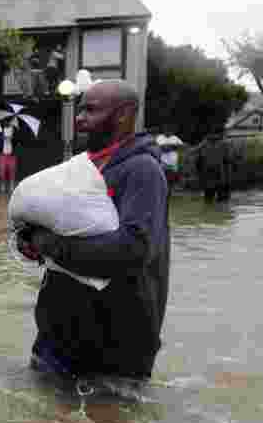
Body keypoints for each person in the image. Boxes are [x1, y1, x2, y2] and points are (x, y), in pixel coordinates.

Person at [17, 80, 170, 380]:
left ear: (124, 115)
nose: (79, 118)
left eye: (90, 110)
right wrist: (30, 241)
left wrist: (48, 243)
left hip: (113, 345)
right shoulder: (81, 167)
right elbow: (61, 229)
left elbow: (133, 249)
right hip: (57, 337)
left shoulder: (142, 171)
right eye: (79, 109)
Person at [194, 131, 232, 202]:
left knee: (213, 198)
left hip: (217, 177)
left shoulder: (204, 145)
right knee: (214, 198)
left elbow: (228, 160)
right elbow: (229, 160)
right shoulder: (204, 145)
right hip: (214, 177)